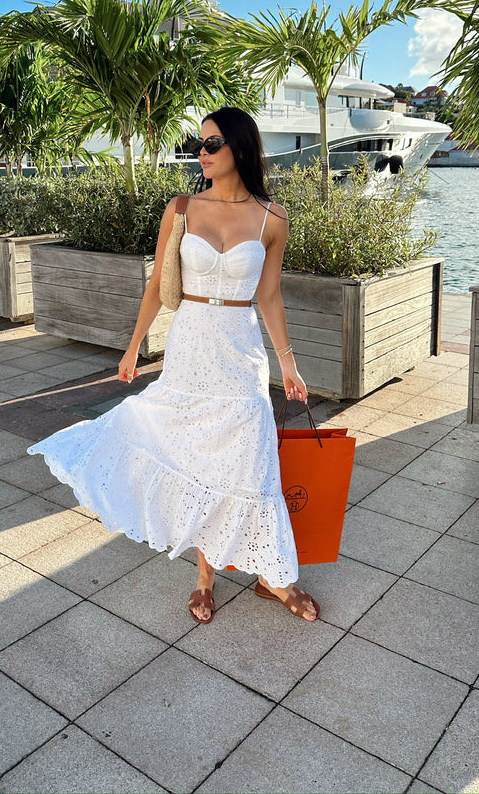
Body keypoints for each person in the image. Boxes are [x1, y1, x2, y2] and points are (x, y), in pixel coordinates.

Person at [28, 106, 319, 623]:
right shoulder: (181, 208)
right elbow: (157, 287)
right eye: (198, 144)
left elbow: (270, 297)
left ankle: (275, 578)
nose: (200, 153)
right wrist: (132, 348)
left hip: (241, 348)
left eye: (211, 145)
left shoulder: (273, 218)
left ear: (240, 149)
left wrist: (288, 365)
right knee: (196, 458)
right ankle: (205, 577)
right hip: (190, 345)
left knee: (250, 457)